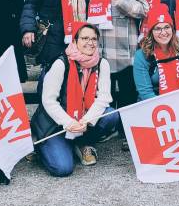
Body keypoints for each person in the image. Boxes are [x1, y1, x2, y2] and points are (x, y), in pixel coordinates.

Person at [31, 22, 118, 176]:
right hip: (56, 125)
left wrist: (87, 121)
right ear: (75, 41)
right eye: (84, 38)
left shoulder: (102, 63)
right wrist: (69, 122)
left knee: (110, 115)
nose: (90, 43)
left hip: (82, 120)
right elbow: (48, 100)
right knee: (62, 168)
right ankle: (41, 146)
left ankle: (82, 142)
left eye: (93, 39)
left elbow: (104, 97)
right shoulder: (61, 63)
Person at [91, 0, 149, 150]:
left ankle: (127, 132)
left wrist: (122, 2)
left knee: (127, 94)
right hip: (99, 53)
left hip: (124, 52)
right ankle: (109, 128)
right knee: (105, 93)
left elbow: (144, 10)